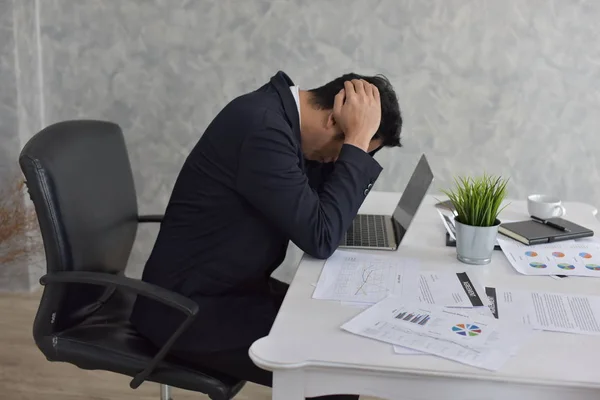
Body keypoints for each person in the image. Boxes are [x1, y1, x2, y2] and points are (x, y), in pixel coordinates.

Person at [130, 71, 402, 399]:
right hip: (185, 311)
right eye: (343, 150)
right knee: (333, 366)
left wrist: (354, 141)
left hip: (231, 292)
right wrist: (356, 141)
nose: (337, 160)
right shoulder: (263, 130)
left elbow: (324, 210)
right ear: (333, 119)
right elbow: (322, 237)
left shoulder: (279, 120)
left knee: (339, 327)